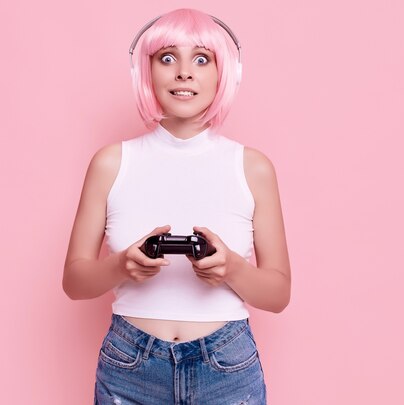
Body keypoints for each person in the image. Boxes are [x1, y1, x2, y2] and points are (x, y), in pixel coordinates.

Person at [63, 8, 291, 404]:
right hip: (129, 365)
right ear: (145, 71)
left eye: (202, 59)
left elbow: (278, 293)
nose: (184, 72)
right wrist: (122, 266)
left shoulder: (252, 167)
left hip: (227, 367)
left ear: (226, 73)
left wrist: (231, 268)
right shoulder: (110, 163)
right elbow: (74, 282)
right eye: (167, 58)